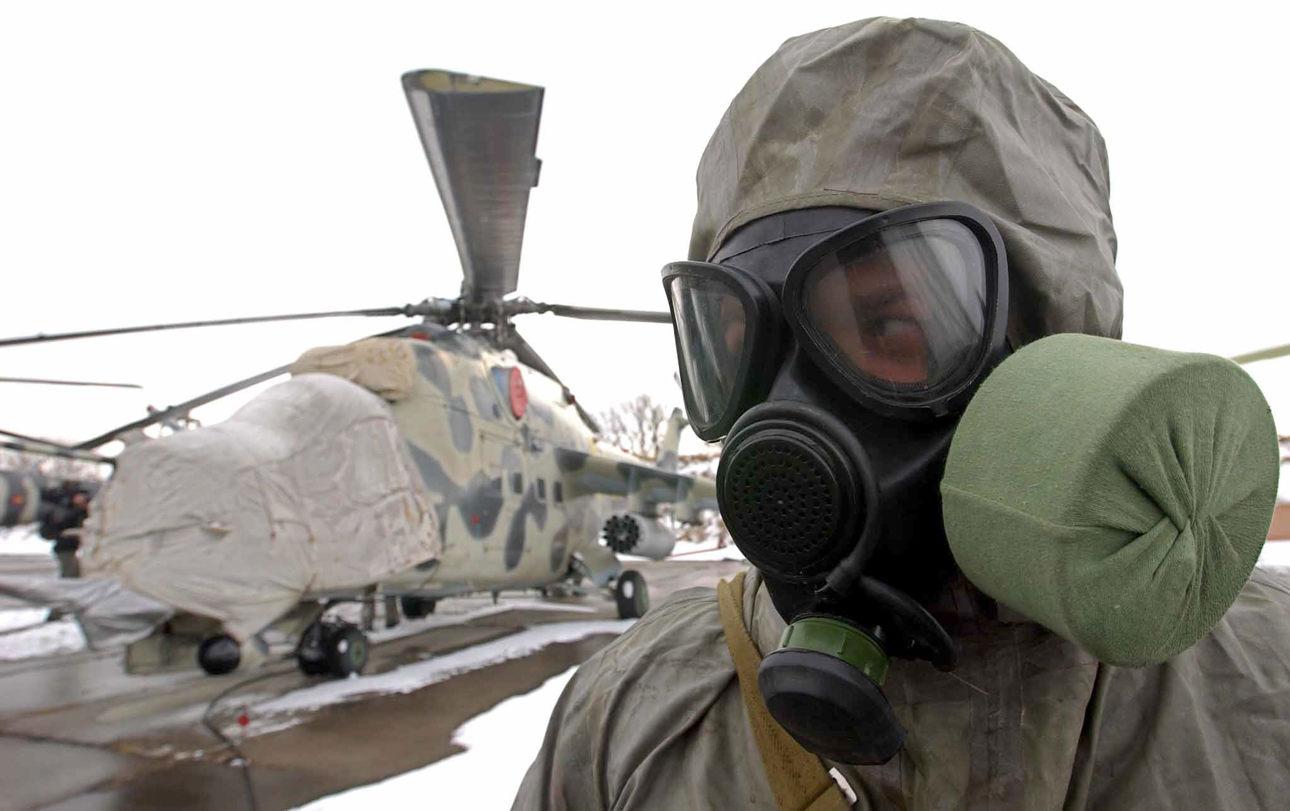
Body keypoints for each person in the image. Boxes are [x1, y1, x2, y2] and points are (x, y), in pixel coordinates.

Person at [513, 18, 1290, 810]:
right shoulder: (632, 716)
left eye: (888, 325)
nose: (787, 409)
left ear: (1054, 345)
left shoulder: (1267, 679)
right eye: (743, 346)